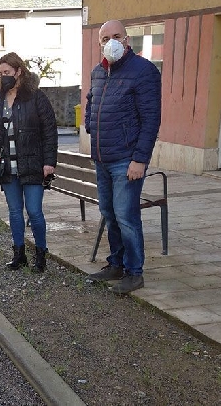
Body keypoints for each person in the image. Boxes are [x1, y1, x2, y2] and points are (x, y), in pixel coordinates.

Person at [85, 20, 162, 294]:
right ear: (100, 44)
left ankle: (134, 272)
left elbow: (151, 119)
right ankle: (116, 264)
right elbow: (91, 103)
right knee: (109, 213)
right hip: (103, 158)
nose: (111, 42)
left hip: (127, 160)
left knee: (126, 216)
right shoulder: (98, 72)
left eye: (116, 36)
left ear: (127, 40)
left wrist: (140, 159)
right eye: (105, 38)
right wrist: (90, 126)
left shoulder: (143, 71)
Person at [0, 52, 58, 273]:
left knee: (34, 211)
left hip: (33, 164)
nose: (3, 76)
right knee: (15, 212)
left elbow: (50, 131)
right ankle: (19, 254)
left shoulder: (35, 96)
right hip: (8, 166)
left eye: (7, 72)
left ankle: (41, 255)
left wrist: (49, 161)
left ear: (19, 71)